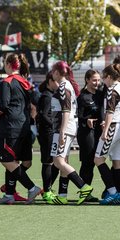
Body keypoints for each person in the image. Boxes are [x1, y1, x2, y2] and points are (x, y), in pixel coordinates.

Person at [0, 53, 41, 205]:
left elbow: (3, 105)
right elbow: (36, 101)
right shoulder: (25, 82)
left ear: (8, 64)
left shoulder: (7, 82)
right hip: (24, 126)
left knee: (7, 161)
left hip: (10, 127)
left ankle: (32, 188)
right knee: (18, 161)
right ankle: (9, 194)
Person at [49, 61, 93, 205]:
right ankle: (62, 195)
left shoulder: (63, 86)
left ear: (57, 72)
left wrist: (61, 131)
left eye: (53, 71)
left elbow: (66, 110)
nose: (51, 73)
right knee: (64, 161)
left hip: (64, 128)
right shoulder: (67, 85)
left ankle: (83, 186)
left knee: (58, 161)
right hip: (67, 127)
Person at [93, 63, 120, 204]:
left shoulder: (112, 89)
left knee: (98, 159)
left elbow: (110, 112)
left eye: (104, 78)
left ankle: (113, 192)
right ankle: (118, 193)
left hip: (114, 126)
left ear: (109, 77)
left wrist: (105, 130)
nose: (103, 81)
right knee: (117, 162)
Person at [77, 70, 103, 202]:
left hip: (99, 132)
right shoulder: (82, 97)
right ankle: (85, 192)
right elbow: (78, 116)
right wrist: (86, 120)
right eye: (94, 80)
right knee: (88, 163)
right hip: (86, 133)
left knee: (96, 161)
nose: (97, 83)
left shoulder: (100, 94)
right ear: (87, 80)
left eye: (98, 80)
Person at [36, 73, 60, 203]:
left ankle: (48, 189)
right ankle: (46, 191)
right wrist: (55, 125)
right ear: (50, 81)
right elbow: (44, 115)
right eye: (56, 81)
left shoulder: (51, 95)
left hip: (51, 132)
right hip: (47, 133)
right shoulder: (46, 96)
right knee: (48, 162)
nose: (58, 83)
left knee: (55, 161)